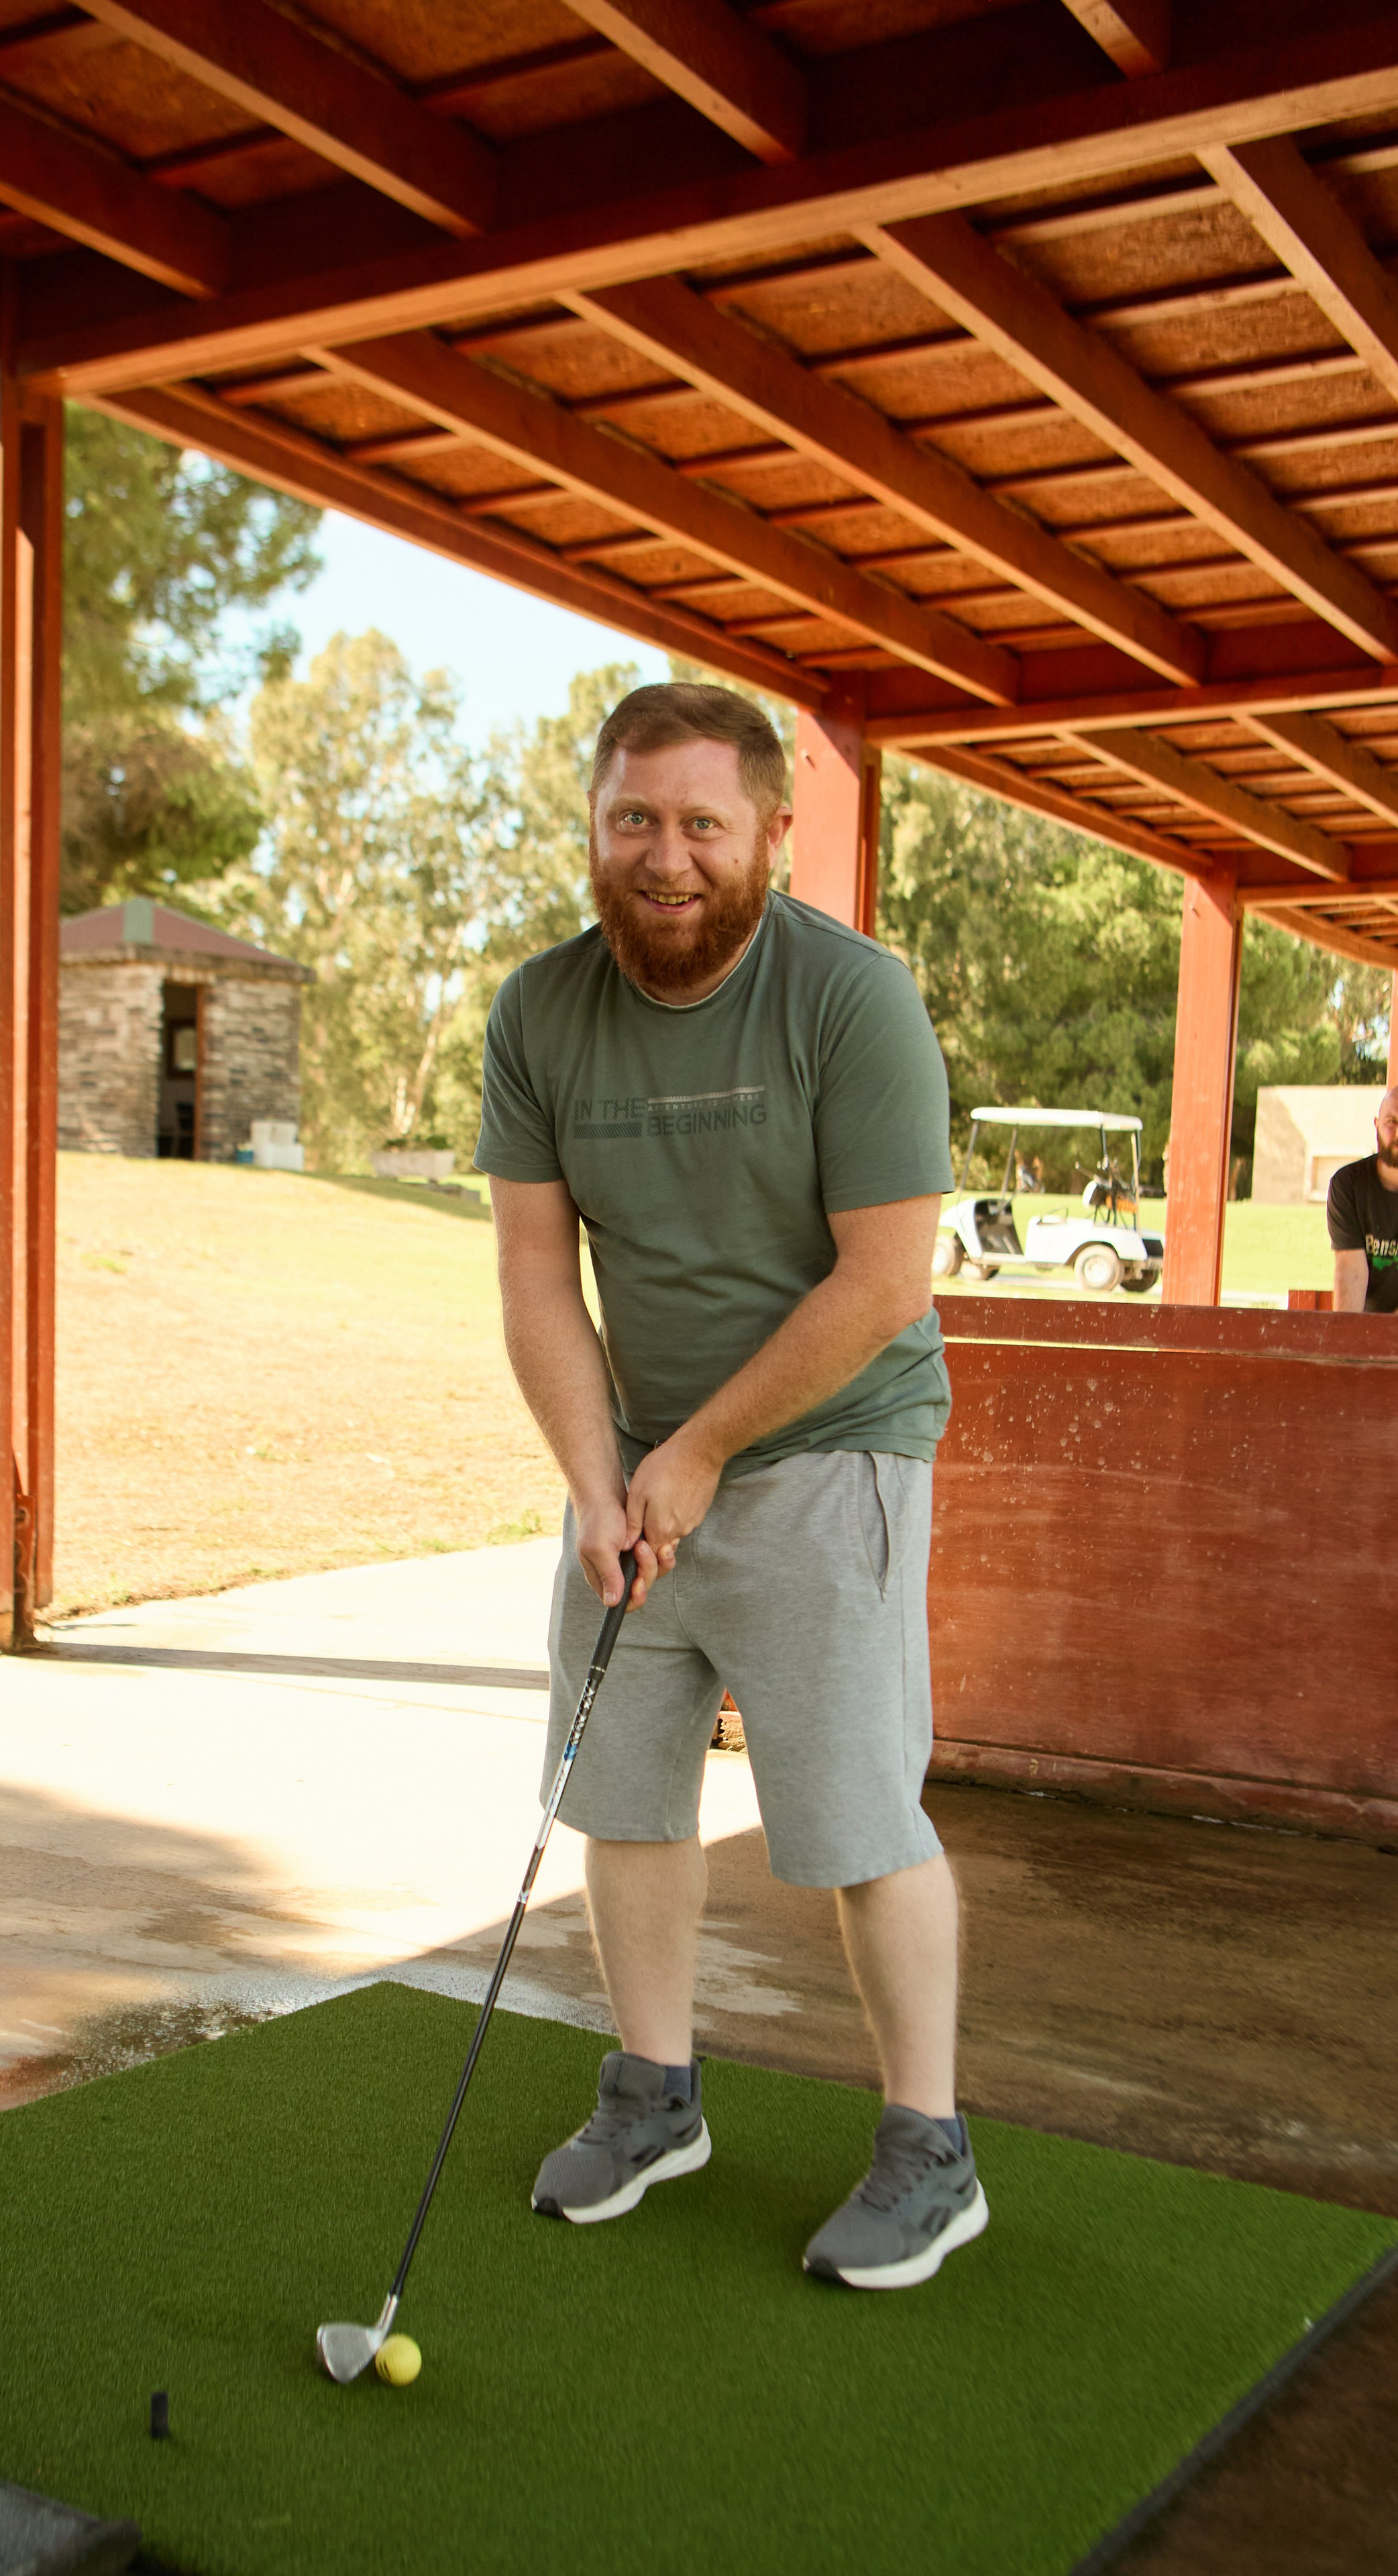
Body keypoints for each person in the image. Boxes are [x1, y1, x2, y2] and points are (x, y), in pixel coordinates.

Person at [474, 681, 985, 2292]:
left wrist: (694, 1451)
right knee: (619, 1787)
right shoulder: (539, 1011)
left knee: (845, 1813)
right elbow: (535, 1277)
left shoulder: (848, 998)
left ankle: (928, 2145)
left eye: (701, 821)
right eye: (633, 818)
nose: (665, 855)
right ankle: (652, 2094)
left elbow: (883, 1279)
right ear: (592, 829)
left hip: (830, 1443)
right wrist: (592, 1472)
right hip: (632, 1461)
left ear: (771, 829)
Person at [1328, 1086, 1398, 1312]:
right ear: (1377, 1125)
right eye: (1392, 1122)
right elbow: (1351, 1273)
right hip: (1367, 1328)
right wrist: (1347, 1341)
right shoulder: (1348, 1184)